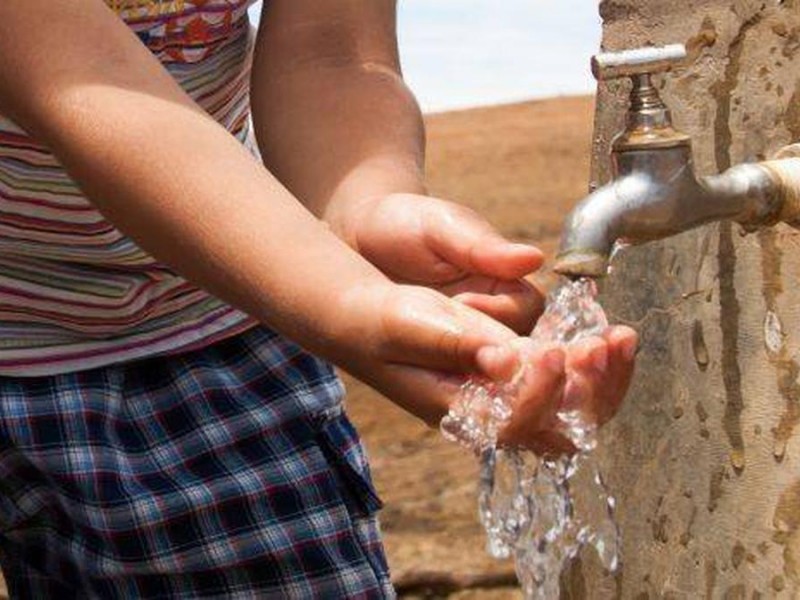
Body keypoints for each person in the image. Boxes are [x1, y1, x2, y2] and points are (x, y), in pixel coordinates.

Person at [0, 1, 637, 597]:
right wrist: (346, 301)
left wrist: (364, 208)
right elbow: (82, 82)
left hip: (210, 309)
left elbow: (332, 55)